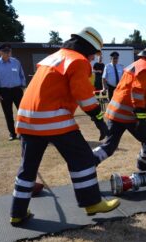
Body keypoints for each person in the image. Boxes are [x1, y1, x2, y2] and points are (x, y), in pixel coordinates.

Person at [9, 27, 119, 226]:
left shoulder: (54, 57)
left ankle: (17, 212)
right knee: (83, 159)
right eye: (94, 54)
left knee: (28, 168)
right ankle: (92, 202)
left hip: (26, 119)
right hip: (52, 118)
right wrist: (99, 120)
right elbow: (84, 95)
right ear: (89, 49)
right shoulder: (78, 61)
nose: (94, 58)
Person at [92, 39, 146, 171]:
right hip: (128, 113)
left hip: (115, 111)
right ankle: (144, 169)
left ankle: (88, 163)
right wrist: (141, 117)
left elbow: (134, 91)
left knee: (109, 146)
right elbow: (137, 93)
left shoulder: (139, 63)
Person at [0, 43, 26, 141]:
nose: (8, 53)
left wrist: (23, 86)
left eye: (9, 51)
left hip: (17, 90)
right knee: (8, 113)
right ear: (0, 52)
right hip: (4, 91)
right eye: (5, 51)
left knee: (22, 113)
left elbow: (22, 74)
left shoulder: (16, 62)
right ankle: (12, 134)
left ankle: (23, 133)